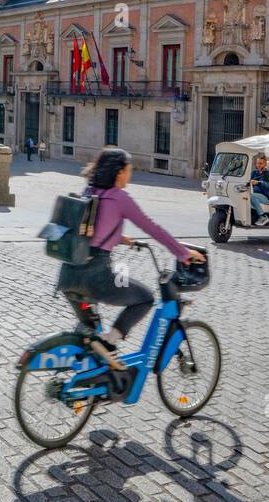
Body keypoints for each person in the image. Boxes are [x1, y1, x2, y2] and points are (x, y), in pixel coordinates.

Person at [59, 147, 203, 369]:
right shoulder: (119, 198)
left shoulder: (89, 190)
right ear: (119, 172)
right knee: (145, 298)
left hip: (68, 275)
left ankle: (91, 387)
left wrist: (120, 238)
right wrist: (183, 253)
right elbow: (152, 228)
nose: (130, 175)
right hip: (96, 276)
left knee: (90, 337)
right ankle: (110, 342)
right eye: (129, 170)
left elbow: (91, 230)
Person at [249, 155, 269, 227]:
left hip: (266, 196)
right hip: (255, 193)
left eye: (260, 163)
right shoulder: (254, 173)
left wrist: (258, 182)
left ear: (265, 164)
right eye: (257, 163)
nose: (258, 165)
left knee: (251, 197)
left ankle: (263, 216)